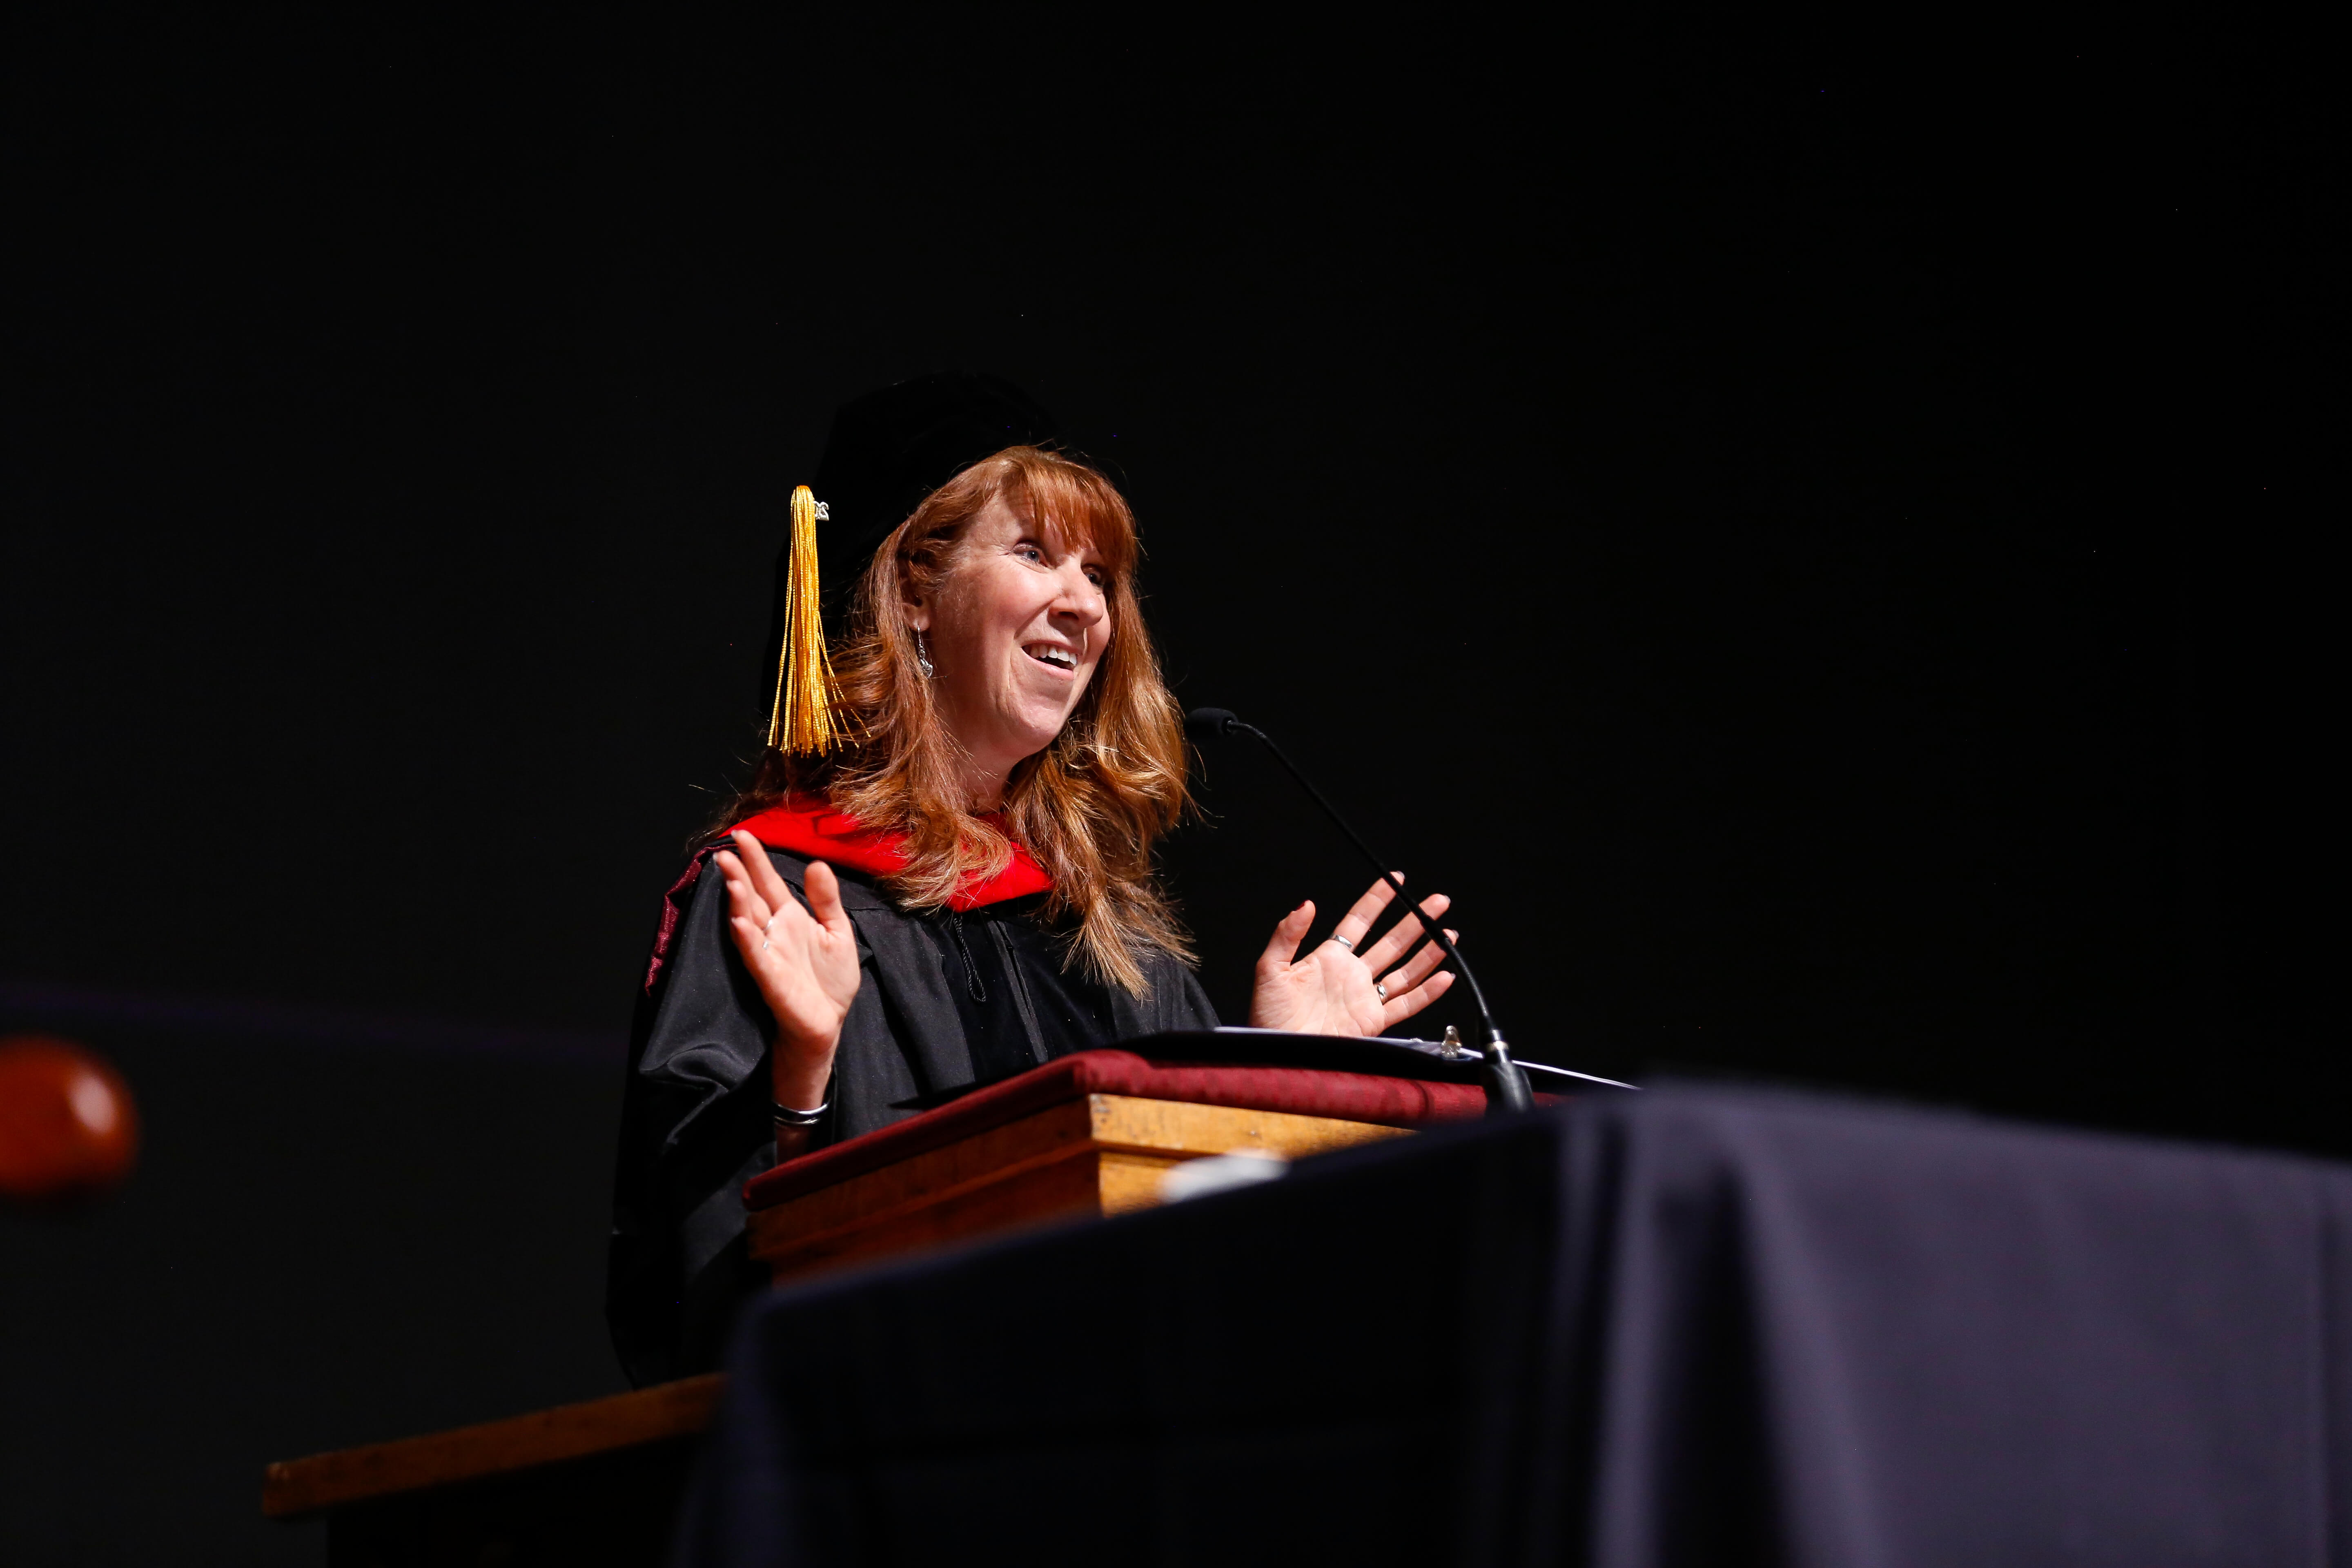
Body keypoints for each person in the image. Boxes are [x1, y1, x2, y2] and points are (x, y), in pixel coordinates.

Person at [606, 374, 1458, 1384]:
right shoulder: (782, 892)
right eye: (1035, 554)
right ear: (916, 594)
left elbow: (1204, 1281)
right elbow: (694, 1310)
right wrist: (802, 1072)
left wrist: (1276, 1078)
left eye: (1099, 573)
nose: (1084, 603)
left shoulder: (1112, 938)